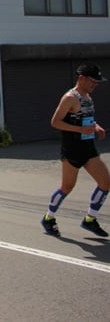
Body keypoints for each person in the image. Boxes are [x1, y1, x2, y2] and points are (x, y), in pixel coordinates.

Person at [41, 63, 110, 237]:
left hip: (88, 148)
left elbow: (87, 119)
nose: (96, 84)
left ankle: (90, 219)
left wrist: (96, 127)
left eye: (97, 82)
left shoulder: (87, 96)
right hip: (72, 150)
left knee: (106, 182)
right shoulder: (70, 98)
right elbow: (55, 122)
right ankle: (49, 217)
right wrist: (80, 130)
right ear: (82, 78)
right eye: (93, 81)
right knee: (67, 187)